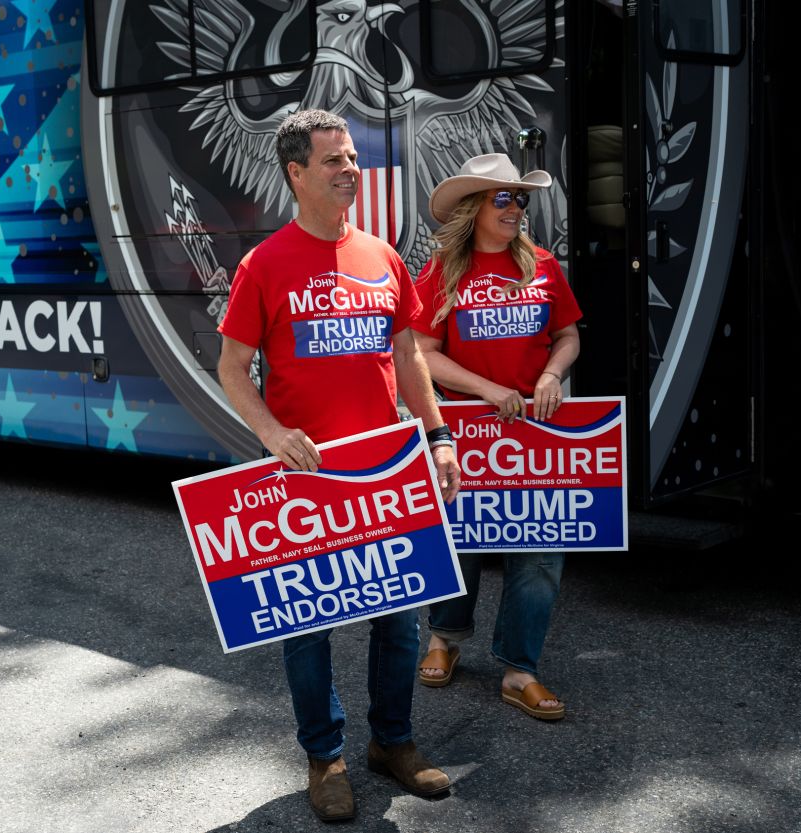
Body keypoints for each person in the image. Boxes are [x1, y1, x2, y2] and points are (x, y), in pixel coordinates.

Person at [216, 109, 462, 822]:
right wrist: (271, 431)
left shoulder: (383, 257)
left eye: (352, 157)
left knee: (399, 622)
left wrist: (439, 434)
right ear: (296, 172)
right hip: (308, 482)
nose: (350, 168)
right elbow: (233, 367)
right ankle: (324, 757)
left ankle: (393, 743)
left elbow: (410, 354)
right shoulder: (263, 265)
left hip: (386, 473)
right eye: (333, 160)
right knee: (309, 629)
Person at [410, 153, 581, 721]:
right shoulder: (440, 274)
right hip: (466, 433)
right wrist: (486, 388)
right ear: (473, 209)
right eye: (502, 198)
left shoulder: (543, 266)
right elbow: (420, 355)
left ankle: (518, 669)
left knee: (540, 549)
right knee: (462, 541)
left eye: (520, 199)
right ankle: (444, 636)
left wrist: (553, 373)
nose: (515, 209)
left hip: (537, 434)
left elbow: (568, 335)